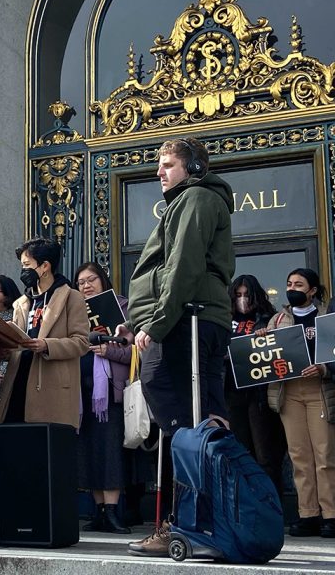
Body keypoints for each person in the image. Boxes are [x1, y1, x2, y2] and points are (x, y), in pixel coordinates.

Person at [117, 138, 234, 557]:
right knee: (192, 423)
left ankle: (192, 524)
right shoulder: (188, 200)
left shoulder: (196, 198)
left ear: (194, 168)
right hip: (186, 320)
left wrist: (157, 323)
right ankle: (196, 523)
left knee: (188, 424)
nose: (159, 172)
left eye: (168, 164)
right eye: (159, 165)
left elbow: (182, 264)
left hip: (188, 321)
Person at [265, 268, 335, 538]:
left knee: (324, 455)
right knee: (299, 457)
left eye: (299, 284)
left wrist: (324, 369)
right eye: (289, 283)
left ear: (313, 290)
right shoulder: (278, 319)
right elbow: (265, 357)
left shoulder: (327, 318)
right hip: (289, 392)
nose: (292, 287)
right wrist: (261, 342)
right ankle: (308, 514)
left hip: (319, 390)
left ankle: (330, 514)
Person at [0, 237, 89, 427]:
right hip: (18, 381)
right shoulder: (22, 302)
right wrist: (6, 348)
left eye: (27, 265)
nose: (23, 271)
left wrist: (47, 345)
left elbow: (81, 342)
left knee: (45, 446)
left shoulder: (72, 297)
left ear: (45, 266)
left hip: (50, 386)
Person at [73, 262, 132, 535]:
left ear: (103, 280)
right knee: (88, 450)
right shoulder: (74, 312)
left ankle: (112, 511)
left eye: (91, 279)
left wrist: (108, 351)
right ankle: (97, 511)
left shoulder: (122, 307)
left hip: (110, 390)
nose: (86, 285)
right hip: (81, 392)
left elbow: (135, 353)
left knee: (110, 450)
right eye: (81, 281)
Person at [224, 274, 285, 496]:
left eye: (247, 295)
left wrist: (265, 332)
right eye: (238, 295)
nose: (242, 299)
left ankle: (271, 503)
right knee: (240, 452)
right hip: (231, 392)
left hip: (259, 394)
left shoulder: (268, 318)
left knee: (265, 454)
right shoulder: (224, 319)